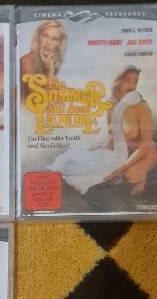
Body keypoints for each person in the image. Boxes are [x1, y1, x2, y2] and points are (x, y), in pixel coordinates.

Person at [49, 66, 157, 196]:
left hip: (143, 151)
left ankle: (139, 178)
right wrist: (103, 144)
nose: (131, 86)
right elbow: (112, 133)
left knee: (129, 175)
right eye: (127, 80)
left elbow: (146, 144)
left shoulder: (141, 106)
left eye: (135, 81)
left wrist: (118, 169)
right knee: (86, 159)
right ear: (117, 82)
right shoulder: (111, 103)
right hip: (121, 150)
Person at [20, 20, 67, 99]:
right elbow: (37, 99)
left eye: (54, 39)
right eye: (45, 36)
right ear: (38, 37)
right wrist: (49, 72)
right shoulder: (26, 61)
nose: (48, 42)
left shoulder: (49, 62)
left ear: (59, 44)